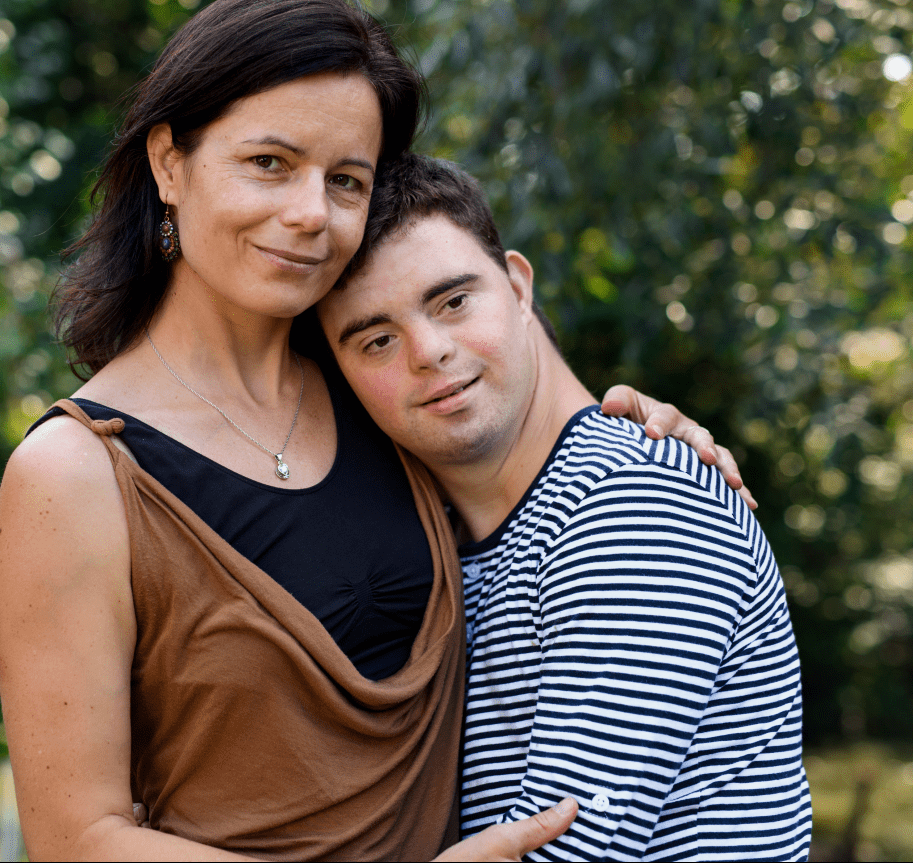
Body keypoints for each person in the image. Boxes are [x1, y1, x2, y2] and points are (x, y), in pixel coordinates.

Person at [0, 0, 741, 861]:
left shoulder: (387, 396)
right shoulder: (73, 477)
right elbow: (76, 839)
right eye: (269, 163)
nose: (311, 214)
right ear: (168, 164)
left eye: (346, 180)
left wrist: (637, 437)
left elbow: (547, 486)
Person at [317, 153, 813, 862]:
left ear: (518, 286)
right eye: (377, 339)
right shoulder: (436, 538)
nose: (428, 351)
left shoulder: (634, 505)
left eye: (453, 301)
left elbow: (557, 849)